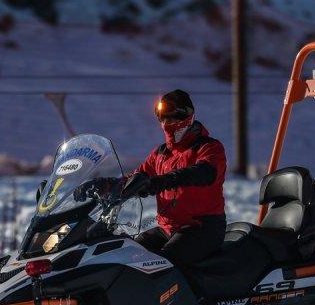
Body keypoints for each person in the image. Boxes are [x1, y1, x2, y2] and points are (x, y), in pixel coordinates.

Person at [74, 89, 226, 267]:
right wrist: (103, 185)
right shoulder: (161, 153)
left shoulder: (208, 147)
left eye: (171, 118)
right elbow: (134, 179)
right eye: (163, 119)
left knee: (161, 266)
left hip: (201, 228)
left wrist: (162, 181)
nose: (166, 123)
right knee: (127, 257)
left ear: (186, 116)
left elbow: (204, 172)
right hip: (167, 228)